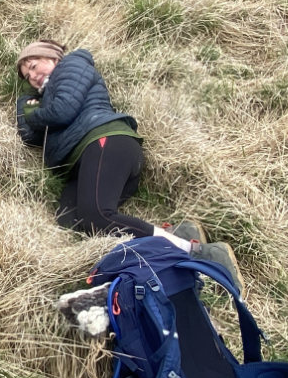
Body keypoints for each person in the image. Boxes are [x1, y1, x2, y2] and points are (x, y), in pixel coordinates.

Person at [14, 40, 241, 281]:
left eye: (35, 65)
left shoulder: (72, 67)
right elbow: (30, 136)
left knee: (98, 216)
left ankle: (202, 254)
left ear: (52, 58)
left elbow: (63, 110)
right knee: (71, 220)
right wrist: (24, 107)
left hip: (106, 142)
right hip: (85, 162)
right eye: (28, 75)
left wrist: (32, 112)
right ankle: (178, 234)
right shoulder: (44, 101)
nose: (33, 75)